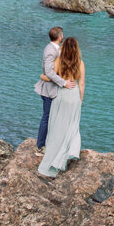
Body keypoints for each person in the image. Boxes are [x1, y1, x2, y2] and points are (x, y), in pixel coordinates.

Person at [38, 36, 85, 179]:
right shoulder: (80, 63)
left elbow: (50, 76)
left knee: (57, 127)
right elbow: (81, 84)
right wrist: (80, 100)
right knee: (72, 126)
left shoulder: (58, 62)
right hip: (74, 96)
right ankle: (69, 153)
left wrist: (42, 76)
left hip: (61, 96)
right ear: (77, 49)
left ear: (63, 48)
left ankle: (53, 159)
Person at [34, 26, 76, 155]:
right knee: (47, 117)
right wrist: (64, 83)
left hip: (55, 89)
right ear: (60, 37)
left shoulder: (57, 49)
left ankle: (53, 144)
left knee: (56, 118)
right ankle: (40, 146)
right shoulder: (50, 50)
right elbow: (48, 72)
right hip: (49, 90)